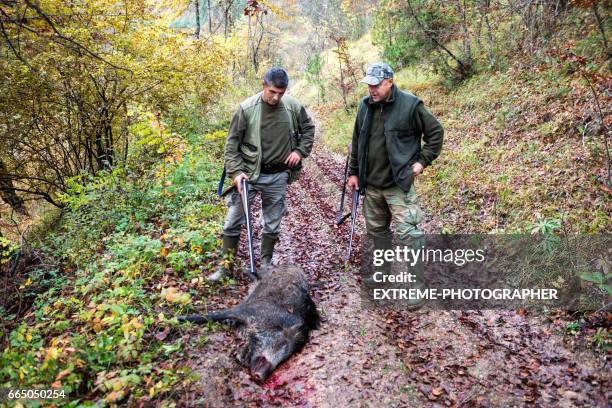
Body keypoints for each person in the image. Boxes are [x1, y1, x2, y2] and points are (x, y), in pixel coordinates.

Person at [347, 62, 444, 306]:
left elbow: (435, 133)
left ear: (390, 81)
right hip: (372, 185)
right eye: (369, 85)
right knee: (377, 234)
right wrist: (354, 172)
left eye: (376, 84)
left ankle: (417, 288)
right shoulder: (365, 106)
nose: (372, 89)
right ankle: (382, 276)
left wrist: (421, 162)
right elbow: (357, 140)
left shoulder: (410, 105)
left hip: (399, 185)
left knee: (410, 236)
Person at [208, 67, 315, 281]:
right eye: (272, 92)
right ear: (263, 85)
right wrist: (236, 172)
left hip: (278, 175)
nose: (276, 97)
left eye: (281, 93)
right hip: (248, 175)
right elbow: (232, 145)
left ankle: (265, 264)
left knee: (272, 222)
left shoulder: (293, 107)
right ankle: (226, 268)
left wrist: (299, 151)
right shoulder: (247, 109)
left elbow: (309, 130)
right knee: (232, 221)